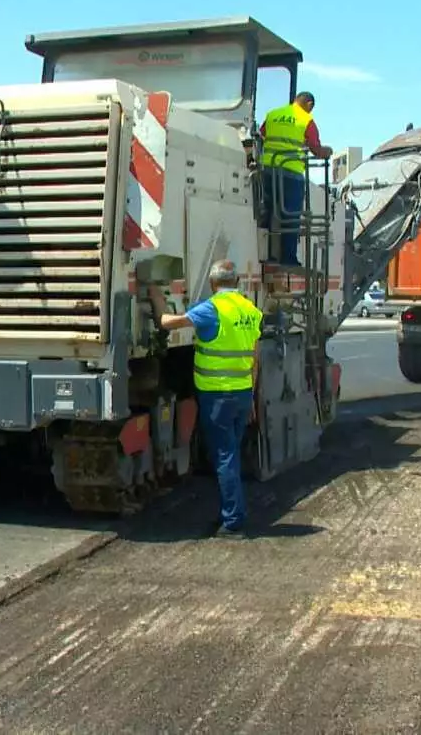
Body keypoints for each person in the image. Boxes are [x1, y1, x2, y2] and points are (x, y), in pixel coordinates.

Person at [149, 260, 263, 538]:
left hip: (218, 396)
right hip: (241, 393)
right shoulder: (251, 310)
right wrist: (252, 398)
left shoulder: (212, 309)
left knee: (225, 457)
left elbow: (168, 323)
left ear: (213, 283)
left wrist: (155, 296)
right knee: (230, 453)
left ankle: (233, 521)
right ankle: (232, 513)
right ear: (236, 282)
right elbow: (254, 359)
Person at [258, 91, 333, 267]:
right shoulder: (306, 120)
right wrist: (327, 152)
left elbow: (262, 136)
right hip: (291, 172)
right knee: (291, 216)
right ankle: (288, 257)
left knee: (267, 213)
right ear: (309, 104)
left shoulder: (273, 114)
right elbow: (316, 149)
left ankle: (266, 253)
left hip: (268, 171)